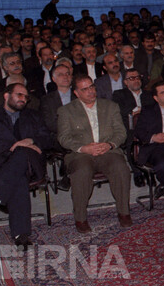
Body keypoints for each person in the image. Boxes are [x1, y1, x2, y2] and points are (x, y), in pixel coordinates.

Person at [0, 83, 53, 248]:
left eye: (26, 97)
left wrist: (31, 141)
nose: (23, 99)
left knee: (21, 155)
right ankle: (21, 235)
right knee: (18, 178)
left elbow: (48, 138)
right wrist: (16, 146)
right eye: (19, 95)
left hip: (32, 166)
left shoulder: (33, 116)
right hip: (1, 166)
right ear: (6, 96)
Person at [57, 75, 132, 233]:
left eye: (92, 87)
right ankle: (81, 218)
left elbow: (121, 132)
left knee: (121, 168)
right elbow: (64, 138)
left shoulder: (110, 106)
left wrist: (109, 144)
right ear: (77, 93)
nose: (90, 91)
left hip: (107, 150)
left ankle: (124, 212)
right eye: (85, 89)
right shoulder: (66, 111)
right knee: (81, 171)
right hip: (81, 153)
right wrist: (84, 148)